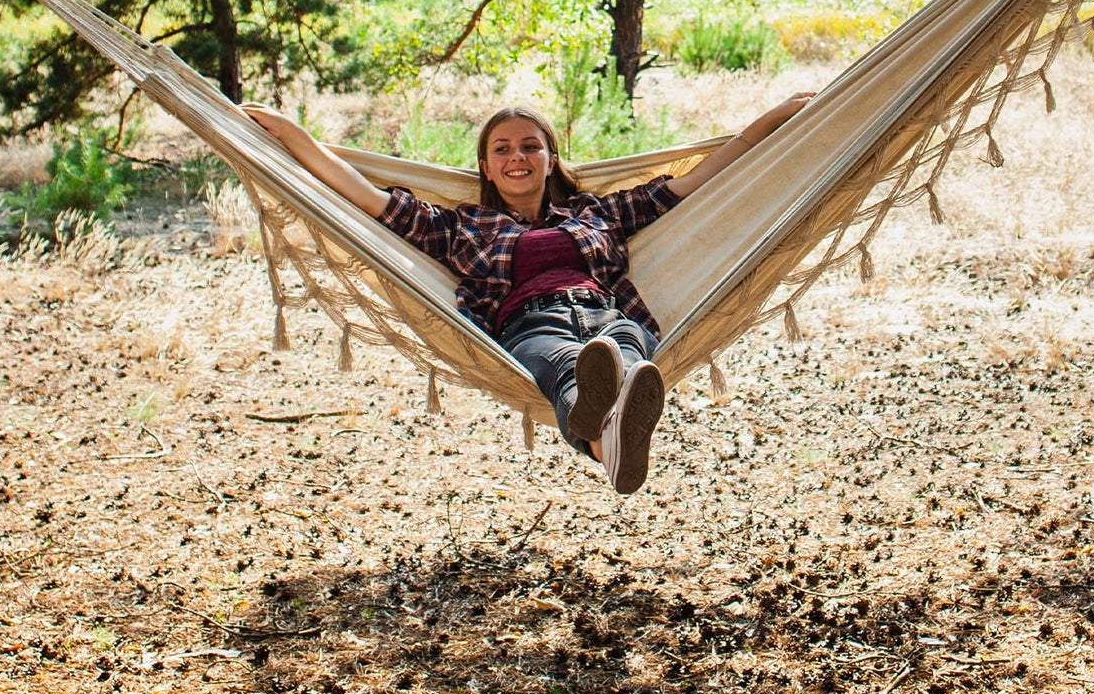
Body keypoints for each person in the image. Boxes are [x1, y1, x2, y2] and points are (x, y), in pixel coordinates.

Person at [242, 92, 811, 494]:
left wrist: (771, 121)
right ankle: (613, 433)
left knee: (626, 353)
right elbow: (368, 198)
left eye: (530, 146)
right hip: (530, 324)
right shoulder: (461, 227)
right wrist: (294, 136)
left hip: (606, 312)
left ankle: (608, 448)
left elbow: (692, 183)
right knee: (569, 367)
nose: (517, 156)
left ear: (551, 159)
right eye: (503, 149)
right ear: (486, 168)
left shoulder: (597, 212)